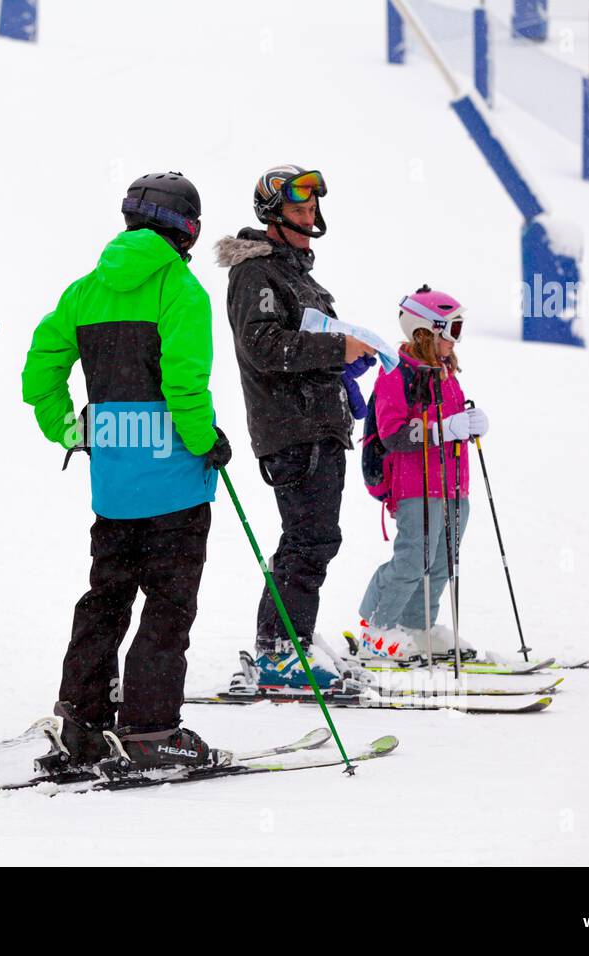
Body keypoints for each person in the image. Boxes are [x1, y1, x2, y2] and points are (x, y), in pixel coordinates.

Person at [21, 171, 232, 774]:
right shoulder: (180, 290)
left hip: (113, 488)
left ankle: (82, 718)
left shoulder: (84, 291)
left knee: (105, 600)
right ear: (187, 229)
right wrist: (206, 441)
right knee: (168, 606)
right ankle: (151, 729)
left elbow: (40, 372)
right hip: (174, 487)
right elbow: (184, 383)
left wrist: (71, 429)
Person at [214, 164, 376, 694]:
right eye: (298, 210)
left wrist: (343, 367)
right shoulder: (257, 273)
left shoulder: (300, 276)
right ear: (271, 213)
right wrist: (337, 348)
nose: (309, 218)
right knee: (309, 539)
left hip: (319, 425)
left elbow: (298, 344)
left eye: (312, 210)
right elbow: (261, 346)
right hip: (293, 430)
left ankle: (290, 643)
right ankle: (280, 652)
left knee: (314, 539)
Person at [356, 286, 488, 663]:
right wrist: (445, 428)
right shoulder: (396, 376)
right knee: (413, 560)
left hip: (454, 484)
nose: (454, 340)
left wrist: (470, 424)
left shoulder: (447, 374)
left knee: (444, 560)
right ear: (425, 331)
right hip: (416, 485)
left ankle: (418, 627)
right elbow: (394, 433)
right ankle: (378, 629)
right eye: (452, 329)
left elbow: (451, 423)